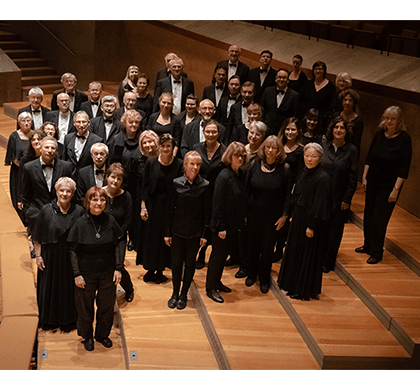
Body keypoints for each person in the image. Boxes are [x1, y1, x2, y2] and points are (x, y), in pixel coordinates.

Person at [68, 186, 123, 351]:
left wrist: (118, 268)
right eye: (94, 199)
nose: (98, 203)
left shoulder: (111, 220)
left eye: (102, 200)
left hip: (108, 271)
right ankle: (87, 336)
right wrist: (77, 274)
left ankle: (102, 335)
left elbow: (119, 242)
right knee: (85, 307)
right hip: (86, 273)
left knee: (106, 306)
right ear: (88, 201)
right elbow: (72, 250)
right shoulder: (79, 223)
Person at [356, 106, 412, 264]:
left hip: (389, 185)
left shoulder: (404, 139)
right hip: (373, 180)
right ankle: (368, 245)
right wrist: (365, 177)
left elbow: (404, 167)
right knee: (368, 215)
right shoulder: (380, 134)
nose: (389, 121)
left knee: (379, 220)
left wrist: (395, 190)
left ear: (399, 120)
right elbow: (370, 157)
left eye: (392, 119)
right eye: (387, 118)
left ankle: (376, 252)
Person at [277, 143, 331, 301]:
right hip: (299, 219)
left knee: (306, 255)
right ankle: (290, 283)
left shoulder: (323, 178)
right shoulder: (304, 172)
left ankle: (301, 290)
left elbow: (319, 205)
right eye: (307, 155)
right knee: (295, 251)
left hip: (309, 223)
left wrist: (311, 226)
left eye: (313, 156)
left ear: (320, 158)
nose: (309, 159)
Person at [33, 177, 84, 331]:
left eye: (68, 191)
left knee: (68, 289)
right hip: (51, 256)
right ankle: (50, 320)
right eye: (61, 190)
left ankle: (68, 320)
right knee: (50, 288)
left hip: (71, 257)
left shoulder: (80, 211)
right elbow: (38, 235)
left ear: (73, 194)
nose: (64, 194)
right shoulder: (46, 210)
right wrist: (38, 256)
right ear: (56, 192)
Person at [165, 151, 211, 309]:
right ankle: (175, 293)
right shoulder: (176, 183)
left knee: (190, 264)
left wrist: (205, 235)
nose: (195, 167)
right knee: (177, 263)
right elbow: (169, 210)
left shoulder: (205, 185)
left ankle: (184, 294)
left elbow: (207, 213)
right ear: (185, 165)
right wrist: (167, 233)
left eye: (198, 164)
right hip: (177, 231)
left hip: (195, 233)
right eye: (192, 164)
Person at [246, 136, 291, 293]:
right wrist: (244, 212)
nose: (270, 150)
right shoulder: (253, 165)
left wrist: (285, 216)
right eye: (268, 147)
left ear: (279, 151)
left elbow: (287, 195)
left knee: (267, 248)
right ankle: (251, 274)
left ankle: (264, 279)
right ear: (263, 149)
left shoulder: (284, 168)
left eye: (274, 148)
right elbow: (246, 190)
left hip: (272, 216)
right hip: (253, 214)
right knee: (252, 245)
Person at [206, 142, 247, 303]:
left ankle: (217, 282)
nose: (240, 158)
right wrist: (221, 227)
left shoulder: (239, 174)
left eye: (243, 156)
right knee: (217, 257)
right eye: (237, 155)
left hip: (232, 225)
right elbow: (217, 204)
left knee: (223, 257)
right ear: (230, 156)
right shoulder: (224, 176)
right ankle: (210, 288)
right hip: (221, 227)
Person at [141, 134, 183, 284]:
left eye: (168, 146)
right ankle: (150, 269)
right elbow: (144, 185)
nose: (165, 149)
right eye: (163, 146)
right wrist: (143, 206)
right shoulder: (151, 162)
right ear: (158, 147)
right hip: (153, 205)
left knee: (166, 238)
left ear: (173, 148)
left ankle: (161, 270)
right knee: (152, 238)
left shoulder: (179, 164)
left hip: (170, 206)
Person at [321, 118, 358, 272]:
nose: (338, 130)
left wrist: (347, 199)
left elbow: (353, 176)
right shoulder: (324, 145)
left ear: (346, 131)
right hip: (322, 196)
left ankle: (328, 262)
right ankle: (318, 257)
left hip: (339, 197)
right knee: (322, 228)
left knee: (335, 231)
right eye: (336, 127)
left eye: (342, 128)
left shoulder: (352, 150)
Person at [108, 109, 143, 255]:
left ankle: (133, 239)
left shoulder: (142, 139)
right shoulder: (116, 139)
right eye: (131, 122)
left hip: (137, 184)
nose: (134, 125)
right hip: (119, 183)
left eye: (136, 122)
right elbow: (112, 162)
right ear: (124, 123)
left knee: (134, 213)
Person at [21, 137, 72, 235]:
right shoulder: (28, 167)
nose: (50, 151)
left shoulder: (66, 166)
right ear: (40, 148)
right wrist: (29, 213)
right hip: (37, 213)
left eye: (53, 148)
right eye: (46, 147)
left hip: (61, 213)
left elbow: (71, 191)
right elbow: (25, 194)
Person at [193, 121, 227, 269]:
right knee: (199, 221)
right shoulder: (196, 148)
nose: (211, 134)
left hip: (217, 193)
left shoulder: (225, 151)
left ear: (218, 133)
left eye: (214, 132)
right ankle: (197, 252)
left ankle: (206, 251)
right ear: (203, 132)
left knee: (212, 222)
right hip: (199, 192)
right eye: (208, 131)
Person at [103, 163, 134, 302]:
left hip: (119, 237)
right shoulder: (99, 193)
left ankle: (129, 289)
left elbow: (128, 221)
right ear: (107, 177)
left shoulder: (126, 196)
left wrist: (117, 235)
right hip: (101, 238)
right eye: (113, 177)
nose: (115, 181)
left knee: (118, 265)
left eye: (119, 178)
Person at [135, 130, 160, 266]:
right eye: (145, 142)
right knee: (146, 234)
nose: (148, 144)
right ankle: (147, 263)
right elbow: (139, 185)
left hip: (159, 202)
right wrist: (142, 205)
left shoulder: (163, 159)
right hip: (144, 200)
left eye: (150, 141)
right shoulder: (138, 160)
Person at [5, 111, 32, 218]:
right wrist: (23, 167)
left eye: (28, 121)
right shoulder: (14, 136)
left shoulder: (35, 135)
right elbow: (12, 155)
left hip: (32, 170)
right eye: (23, 121)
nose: (26, 123)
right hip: (18, 171)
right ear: (19, 123)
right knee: (18, 196)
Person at [62, 111, 103, 180]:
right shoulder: (67, 138)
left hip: (87, 177)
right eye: (78, 122)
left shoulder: (97, 140)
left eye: (84, 122)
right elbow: (64, 159)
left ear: (88, 123)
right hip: (70, 176)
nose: (81, 125)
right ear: (74, 123)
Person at [298, 61, 337, 133]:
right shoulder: (308, 83)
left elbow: (331, 106)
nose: (318, 71)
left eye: (320, 69)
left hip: (321, 122)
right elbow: (301, 100)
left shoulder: (330, 87)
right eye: (316, 69)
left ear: (324, 71)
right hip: (306, 120)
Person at [260, 68, 300, 136]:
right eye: (279, 77)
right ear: (276, 79)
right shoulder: (267, 91)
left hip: (284, 132)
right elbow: (262, 109)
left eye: (284, 78)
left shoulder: (294, 95)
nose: (281, 80)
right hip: (267, 129)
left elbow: (294, 115)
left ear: (288, 80)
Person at [333, 88, 364, 155]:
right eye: (345, 100)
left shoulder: (358, 121)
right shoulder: (335, 116)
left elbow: (357, 143)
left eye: (350, 100)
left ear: (353, 103)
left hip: (348, 153)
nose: (347, 103)